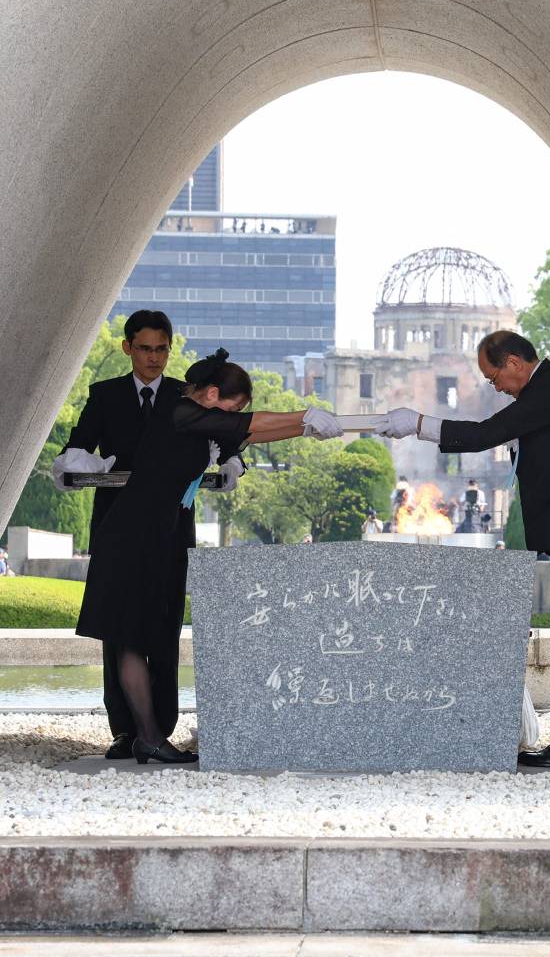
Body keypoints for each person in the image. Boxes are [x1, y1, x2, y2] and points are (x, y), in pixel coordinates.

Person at [375, 329, 550, 770]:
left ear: (515, 362)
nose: (494, 386)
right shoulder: (542, 392)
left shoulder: (548, 390)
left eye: (493, 375)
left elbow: (484, 435)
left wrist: (419, 425)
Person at [75, 348, 342, 764]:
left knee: (138, 635)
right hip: (129, 537)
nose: (234, 416)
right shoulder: (180, 412)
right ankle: (147, 735)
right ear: (212, 394)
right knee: (128, 637)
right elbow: (246, 424)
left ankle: (148, 734)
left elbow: (248, 433)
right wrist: (304, 413)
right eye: (232, 407)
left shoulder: (199, 423)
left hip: (151, 537)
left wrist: (302, 429)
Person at [51, 310, 247, 761]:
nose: (153, 357)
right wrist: (71, 465)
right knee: (118, 630)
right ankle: (127, 730)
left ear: (169, 350)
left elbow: (229, 434)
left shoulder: (188, 393)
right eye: (144, 348)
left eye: (161, 349)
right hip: (117, 521)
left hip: (172, 526)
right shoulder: (105, 395)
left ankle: (160, 727)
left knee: (163, 624)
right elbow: (78, 444)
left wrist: (233, 463)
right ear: (127, 348)